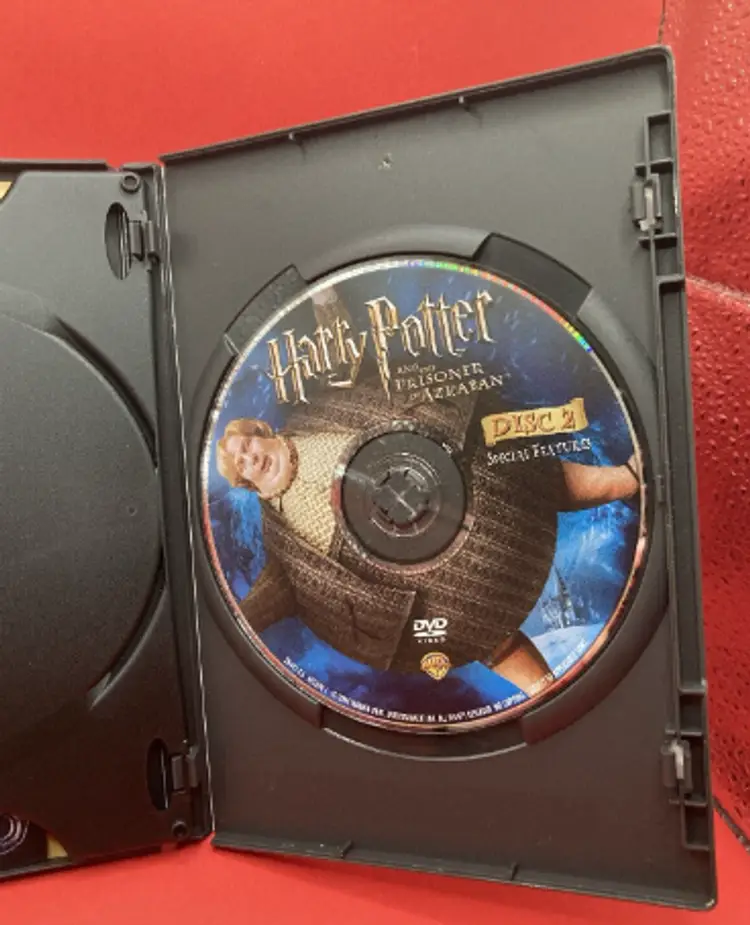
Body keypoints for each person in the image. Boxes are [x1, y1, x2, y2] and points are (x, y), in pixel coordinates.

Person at [216, 381, 640, 698]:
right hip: (431, 591)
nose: (249, 456)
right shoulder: (282, 541)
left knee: (535, 480)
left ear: (263, 432)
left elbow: (343, 361)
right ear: (247, 483)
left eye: (247, 444)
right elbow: (267, 598)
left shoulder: (313, 414)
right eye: (241, 463)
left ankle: (625, 480)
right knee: (486, 638)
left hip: (463, 479)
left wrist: (327, 301)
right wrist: (230, 622)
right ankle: (552, 700)